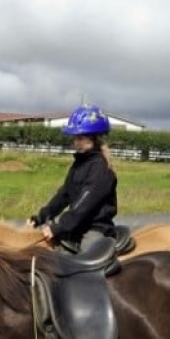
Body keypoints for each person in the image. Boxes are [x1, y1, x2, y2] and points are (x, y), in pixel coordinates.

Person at [28, 104, 119, 253]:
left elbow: (85, 203)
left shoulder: (101, 168)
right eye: (74, 137)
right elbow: (64, 195)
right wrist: (40, 217)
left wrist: (59, 226)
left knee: (86, 260)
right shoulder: (79, 164)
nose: (75, 142)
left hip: (95, 228)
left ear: (94, 138)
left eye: (80, 137)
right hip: (76, 226)